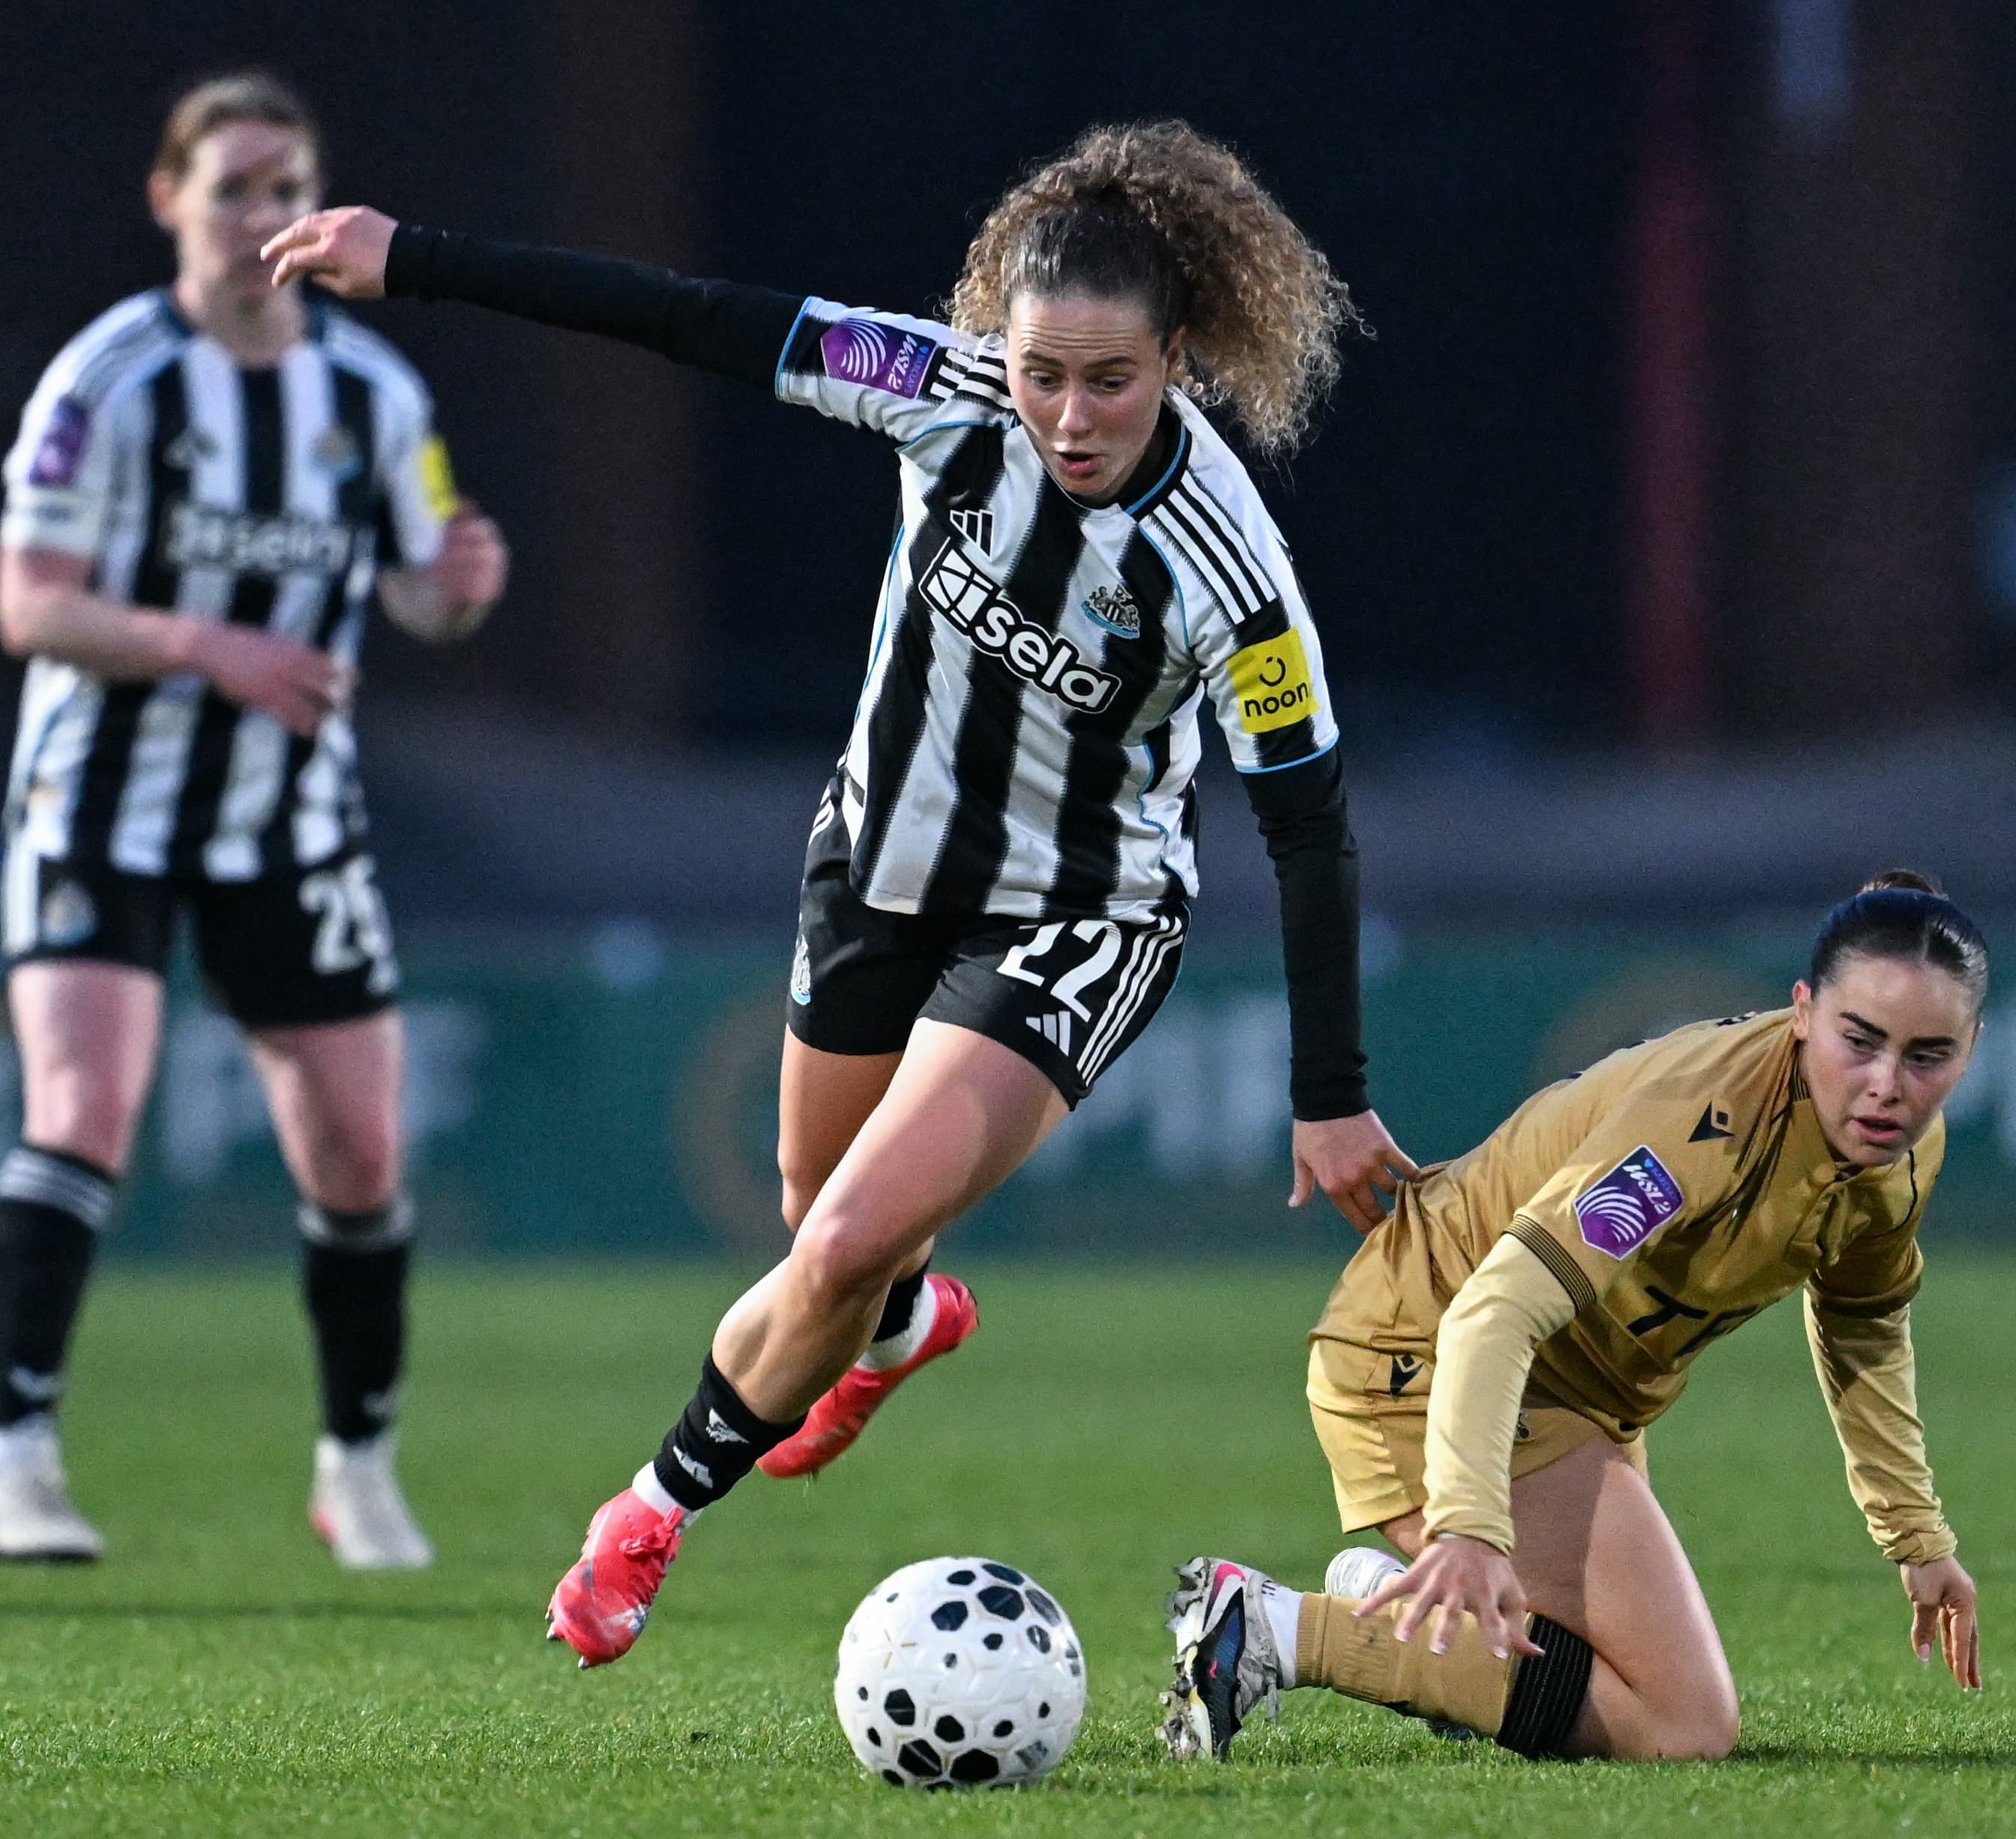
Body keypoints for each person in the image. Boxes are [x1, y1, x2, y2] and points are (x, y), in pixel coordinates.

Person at [264, 119, 1409, 1662]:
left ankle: (647, 1510)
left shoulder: (1226, 567)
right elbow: (690, 316)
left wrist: (1328, 1093)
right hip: (876, 869)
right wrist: (418, 259)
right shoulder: (931, 387)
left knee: (837, 1232)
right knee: (825, 1226)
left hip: (1077, 921)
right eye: (1040, 373)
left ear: (1181, 356)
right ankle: (900, 1322)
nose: (1069, 418)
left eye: (1111, 381)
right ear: (995, 344)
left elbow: (1307, 826)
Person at [0, 71, 507, 1570]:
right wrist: (209, 646)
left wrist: (452, 592)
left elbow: (413, 583)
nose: (262, 214)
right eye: (233, 186)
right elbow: (29, 603)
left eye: (285, 187)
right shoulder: (106, 382)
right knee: (83, 1108)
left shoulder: (377, 396)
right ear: (169, 200)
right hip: (103, 801)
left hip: (290, 820)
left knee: (357, 1147)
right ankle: (11, 1457)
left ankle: (360, 1461)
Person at [1159, 873, 1989, 1762]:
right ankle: (1263, 1629)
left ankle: (1395, 1602)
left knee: (1595, 1683)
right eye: (1857, 1041)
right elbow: (1494, 1310)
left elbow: (1860, 1323)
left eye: (1925, 1056)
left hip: (1566, 1394)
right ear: (1800, 1012)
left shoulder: (1901, 1158)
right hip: (1424, 1353)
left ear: (1970, 1049)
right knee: (1680, 1726)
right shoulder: (1697, 1129)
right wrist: (1470, 1527)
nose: (1885, 1086)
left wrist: (1915, 1536)